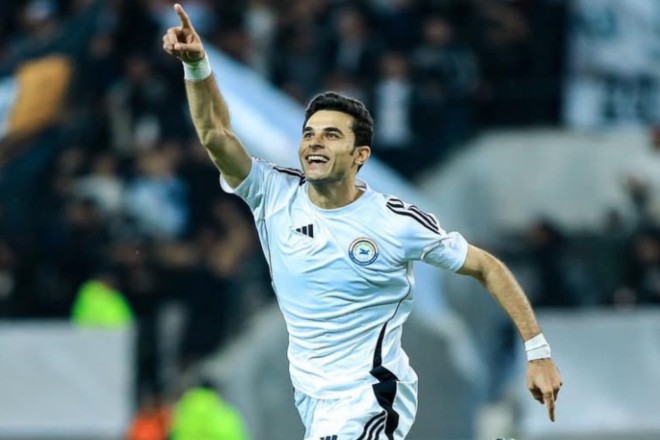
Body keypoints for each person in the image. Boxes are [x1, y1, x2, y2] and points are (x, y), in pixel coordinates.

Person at [162, 4, 563, 439]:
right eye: (309, 133)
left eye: (331, 135)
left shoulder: (393, 222)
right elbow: (215, 135)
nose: (315, 143)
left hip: (372, 397)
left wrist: (537, 351)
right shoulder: (274, 194)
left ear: (360, 156)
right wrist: (197, 67)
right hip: (317, 404)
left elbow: (487, 266)